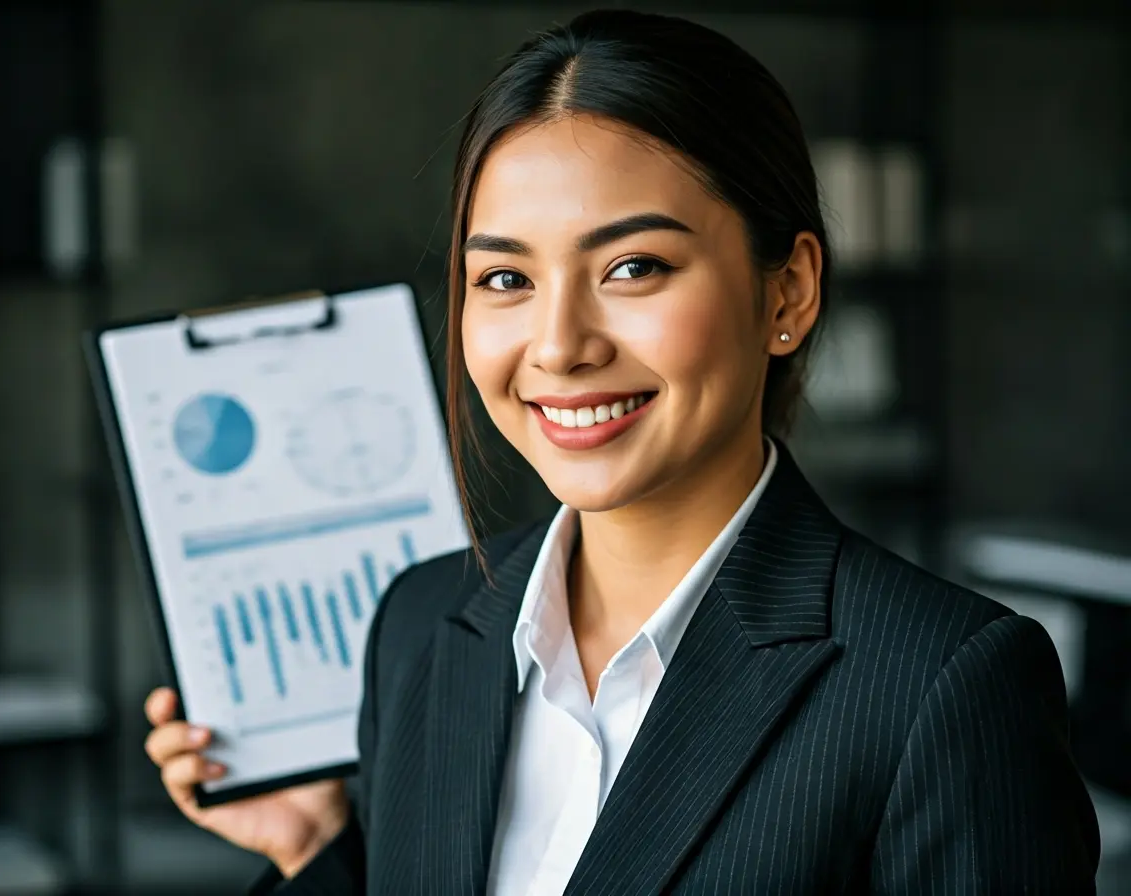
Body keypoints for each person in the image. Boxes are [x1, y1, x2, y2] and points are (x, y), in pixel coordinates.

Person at [144, 9, 1101, 894]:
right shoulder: (425, 624)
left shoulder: (942, 683)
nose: (559, 344)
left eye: (633, 267)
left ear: (789, 293)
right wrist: (316, 849)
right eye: (506, 277)